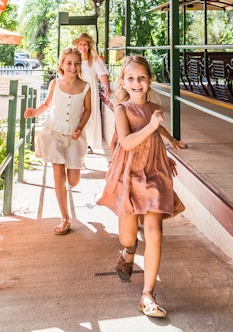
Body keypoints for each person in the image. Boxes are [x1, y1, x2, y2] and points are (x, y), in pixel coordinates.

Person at [96, 55, 186, 318]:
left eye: (142, 78)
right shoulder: (122, 109)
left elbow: (157, 131)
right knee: (127, 235)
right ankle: (128, 249)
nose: (137, 83)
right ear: (123, 81)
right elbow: (127, 142)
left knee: (154, 229)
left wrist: (170, 145)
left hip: (154, 172)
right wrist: (152, 127)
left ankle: (147, 295)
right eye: (131, 78)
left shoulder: (154, 108)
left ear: (150, 80)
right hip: (129, 174)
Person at [24, 47, 91, 235]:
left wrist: (81, 127)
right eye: (69, 63)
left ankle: (75, 171)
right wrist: (34, 112)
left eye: (76, 63)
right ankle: (65, 217)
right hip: (54, 132)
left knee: (74, 181)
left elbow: (88, 110)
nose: (73, 66)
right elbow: (47, 104)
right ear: (62, 64)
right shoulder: (55, 83)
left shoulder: (86, 87)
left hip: (74, 137)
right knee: (58, 176)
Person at [72, 33, 111, 153]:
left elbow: (102, 75)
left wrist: (106, 88)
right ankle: (77, 142)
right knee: (76, 116)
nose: (82, 47)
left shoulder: (94, 59)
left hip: (90, 92)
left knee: (89, 117)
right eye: (80, 44)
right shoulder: (74, 59)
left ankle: (87, 143)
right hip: (76, 91)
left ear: (88, 46)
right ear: (77, 46)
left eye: (85, 44)